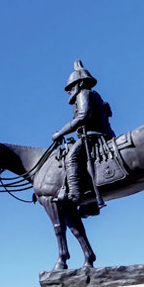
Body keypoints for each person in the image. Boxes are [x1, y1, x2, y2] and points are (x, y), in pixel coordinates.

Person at [51, 60, 115, 204]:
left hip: (94, 136)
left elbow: (82, 116)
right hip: (103, 134)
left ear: (79, 84)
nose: (69, 91)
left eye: (71, 87)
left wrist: (60, 133)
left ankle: (75, 194)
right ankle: (89, 203)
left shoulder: (83, 94)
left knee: (71, 158)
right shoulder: (95, 95)